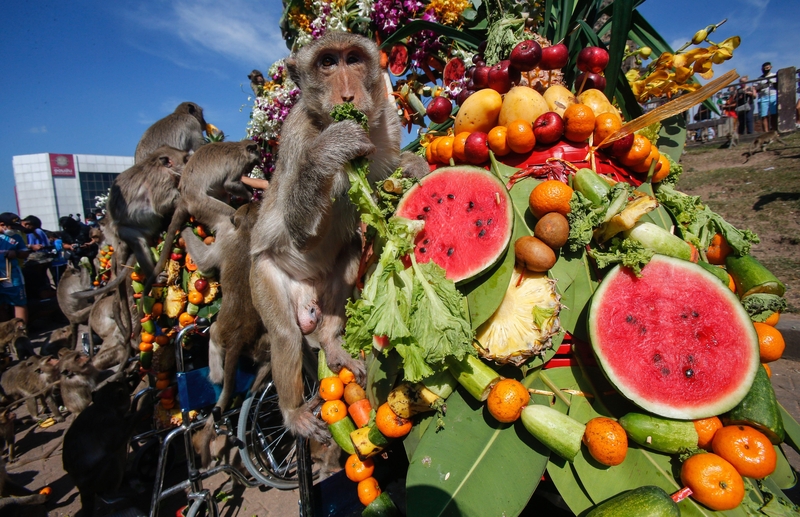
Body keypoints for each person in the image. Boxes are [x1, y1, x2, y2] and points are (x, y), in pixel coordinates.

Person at [0, 213, 30, 324]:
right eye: (12, 227)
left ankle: (20, 333)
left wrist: (16, 253)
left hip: (12, 276)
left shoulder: (16, 237)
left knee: (19, 303)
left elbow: (25, 253)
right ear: (2, 224)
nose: (14, 230)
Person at [756, 62, 777, 132]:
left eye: (768, 67)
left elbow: (778, 85)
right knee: (764, 115)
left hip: (773, 95)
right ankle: (766, 132)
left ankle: (774, 131)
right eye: (765, 67)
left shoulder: (774, 75)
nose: (766, 69)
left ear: (771, 67)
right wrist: (761, 86)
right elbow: (756, 88)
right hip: (763, 97)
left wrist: (773, 83)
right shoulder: (759, 78)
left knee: (774, 114)